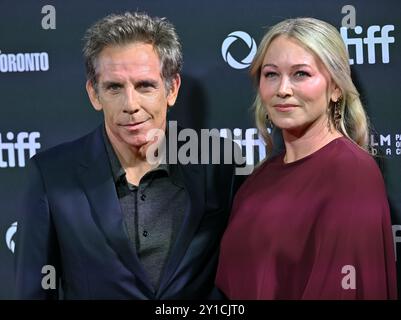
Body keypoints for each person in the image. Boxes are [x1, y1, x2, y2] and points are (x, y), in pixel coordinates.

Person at [15, 12, 236, 299]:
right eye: (114, 87)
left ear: (172, 89)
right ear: (94, 94)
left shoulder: (217, 162)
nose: (130, 104)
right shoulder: (53, 174)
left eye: (145, 85)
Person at [215, 17, 397, 299]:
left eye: (301, 74)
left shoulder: (351, 173)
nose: (282, 89)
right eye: (271, 74)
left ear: (336, 87)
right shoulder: (260, 178)